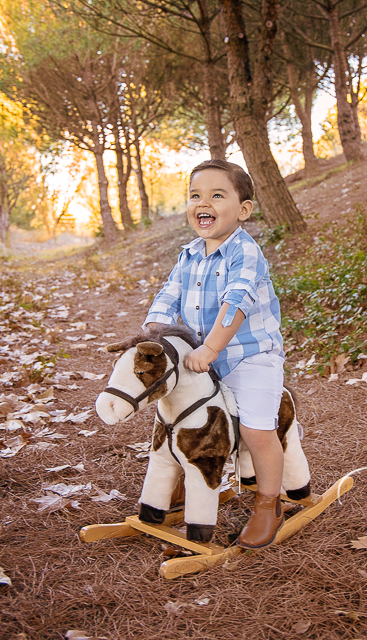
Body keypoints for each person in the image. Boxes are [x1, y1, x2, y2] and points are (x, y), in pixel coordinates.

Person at [144, 158, 286, 549]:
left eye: (216, 195)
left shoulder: (246, 252)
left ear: (243, 210)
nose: (202, 202)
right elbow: (168, 296)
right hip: (204, 359)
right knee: (180, 415)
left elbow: (235, 304)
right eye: (195, 195)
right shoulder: (189, 255)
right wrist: (152, 334)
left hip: (250, 355)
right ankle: (178, 483)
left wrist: (209, 348)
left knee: (256, 430)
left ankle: (268, 503)